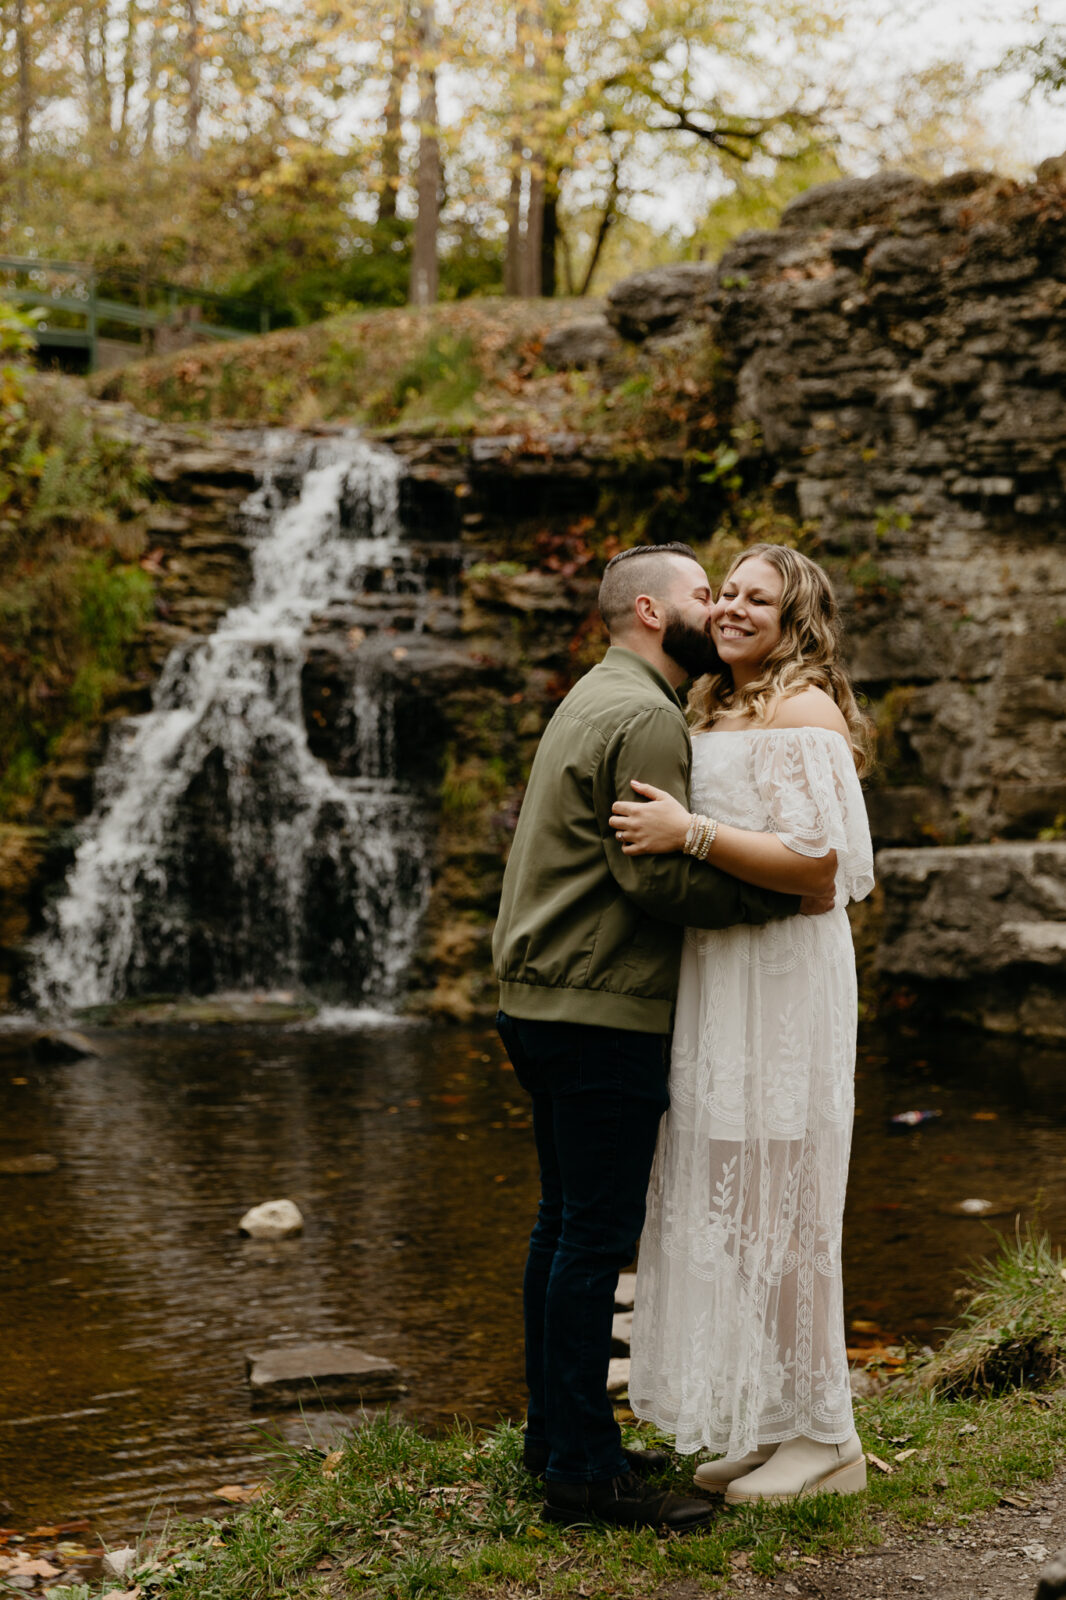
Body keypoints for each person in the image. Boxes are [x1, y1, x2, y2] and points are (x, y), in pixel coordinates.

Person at [492, 542, 837, 1531]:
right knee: (591, 1236)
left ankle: (555, 1435)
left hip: (543, 996)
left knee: (559, 1226)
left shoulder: (593, 695)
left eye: (736, 594)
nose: (716, 606)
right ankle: (586, 1475)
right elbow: (650, 875)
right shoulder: (646, 713)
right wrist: (780, 897)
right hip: (598, 1006)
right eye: (702, 591)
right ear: (650, 611)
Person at [609, 542, 874, 1505]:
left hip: (784, 985)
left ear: (796, 616)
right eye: (723, 593)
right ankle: (774, 1422)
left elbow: (819, 873)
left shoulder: (805, 712)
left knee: (794, 1215)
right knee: (740, 1205)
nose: (729, 608)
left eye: (756, 598)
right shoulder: (715, 703)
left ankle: (828, 1438)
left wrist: (696, 834)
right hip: (721, 980)